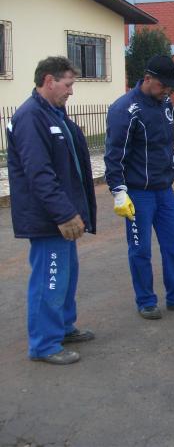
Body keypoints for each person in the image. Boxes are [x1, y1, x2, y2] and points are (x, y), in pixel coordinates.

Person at [7, 56, 97, 365]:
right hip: (48, 219)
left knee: (66, 276)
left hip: (64, 215)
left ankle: (62, 327)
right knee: (51, 279)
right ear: (49, 80)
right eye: (68, 84)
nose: (71, 91)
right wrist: (63, 213)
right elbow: (39, 174)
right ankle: (44, 345)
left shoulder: (54, 113)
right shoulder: (31, 117)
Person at [104, 55, 174, 319]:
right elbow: (114, 155)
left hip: (163, 188)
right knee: (140, 250)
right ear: (147, 79)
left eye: (171, 87)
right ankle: (146, 301)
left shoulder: (166, 104)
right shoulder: (125, 110)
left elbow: (166, 140)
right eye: (164, 86)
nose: (168, 91)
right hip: (137, 192)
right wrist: (118, 192)